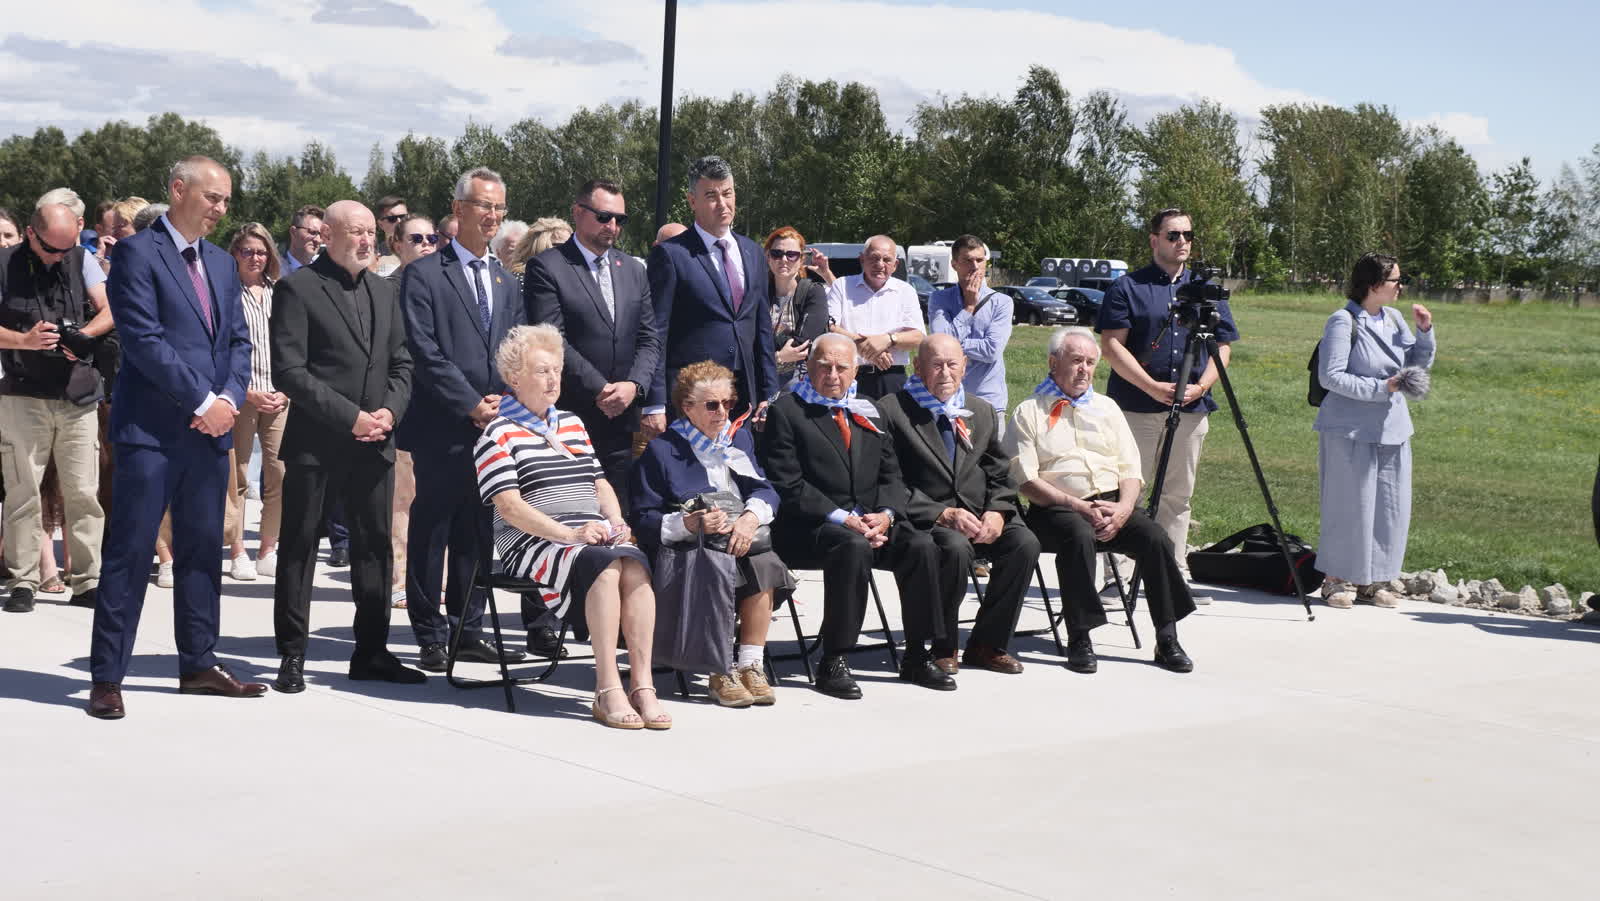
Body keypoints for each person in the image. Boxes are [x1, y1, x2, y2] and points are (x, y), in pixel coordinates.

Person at [90, 155, 264, 719]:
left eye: (226, 200)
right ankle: (107, 677)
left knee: (202, 553)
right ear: (178, 189)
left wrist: (228, 400)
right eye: (213, 197)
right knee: (130, 552)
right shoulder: (138, 253)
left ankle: (199, 664)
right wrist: (202, 402)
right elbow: (143, 340)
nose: (221, 209)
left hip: (209, 434)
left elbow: (238, 341)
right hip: (151, 433)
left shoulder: (221, 263)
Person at [475, 324, 670, 729]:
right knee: (604, 565)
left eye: (556, 371)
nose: (553, 380)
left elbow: (599, 483)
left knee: (634, 563)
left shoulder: (572, 423)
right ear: (514, 379)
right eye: (541, 371)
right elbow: (509, 507)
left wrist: (616, 521)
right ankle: (607, 688)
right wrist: (569, 535)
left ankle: (642, 685)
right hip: (531, 540)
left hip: (588, 534)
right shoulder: (497, 431)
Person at [268, 200, 423, 692]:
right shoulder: (298, 288)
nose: (366, 240)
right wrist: (349, 418)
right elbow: (290, 371)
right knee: (300, 548)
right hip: (317, 444)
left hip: (375, 442)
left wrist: (389, 412)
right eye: (355, 231)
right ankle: (292, 654)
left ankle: (372, 652)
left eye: (370, 232)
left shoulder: (384, 290)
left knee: (374, 548)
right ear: (327, 235)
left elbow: (402, 362)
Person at [763, 333, 947, 698]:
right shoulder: (787, 410)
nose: (833, 375)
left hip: (869, 523)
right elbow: (788, 483)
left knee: (921, 545)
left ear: (855, 372)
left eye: (841, 368)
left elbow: (891, 475)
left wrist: (887, 515)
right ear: (808, 368)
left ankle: (917, 654)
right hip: (810, 527)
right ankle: (834, 659)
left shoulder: (869, 409)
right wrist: (843, 518)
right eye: (824, 366)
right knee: (852, 547)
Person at [1007, 327, 1196, 675]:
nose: (1084, 370)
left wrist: (1123, 510)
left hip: (1112, 505)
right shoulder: (1029, 411)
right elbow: (1026, 480)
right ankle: (1080, 636)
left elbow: (1131, 470)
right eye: (1076, 360)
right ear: (1053, 363)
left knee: (1155, 538)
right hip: (1056, 509)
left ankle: (1167, 638)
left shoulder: (1107, 408)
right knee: (1079, 535)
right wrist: (1078, 506)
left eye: (1091, 362)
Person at [397, 166, 526, 673]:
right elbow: (423, 349)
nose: (492, 215)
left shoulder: (506, 280)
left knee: (477, 530)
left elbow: (515, 347)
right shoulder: (425, 274)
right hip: (443, 424)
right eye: (483, 205)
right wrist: (470, 402)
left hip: (492, 427)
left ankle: (468, 629)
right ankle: (430, 633)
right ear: (458, 209)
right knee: (433, 529)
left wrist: (501, 401)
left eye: (499, 207)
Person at [1095, 208, 1239, 604]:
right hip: (1136, 407)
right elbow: (1111, 346)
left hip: (1191, 408)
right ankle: (1119, 575)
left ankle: (1172, 574)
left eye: (1188, 235)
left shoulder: (1205, 289)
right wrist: (1152, 386)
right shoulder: (1128, 287)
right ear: (1154, 239)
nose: (1182, 242)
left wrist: (1201, 386)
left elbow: (1223, 346)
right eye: (1173, 235)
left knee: (1178, 494)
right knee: (1127, 491)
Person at [631, 361, 792, 707]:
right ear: (687, 407)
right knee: (719, 565)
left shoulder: (739, 438)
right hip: (690, 551)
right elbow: (643, 519)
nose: (723, 412)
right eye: (712, 405)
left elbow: (765, 490)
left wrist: (750, 518)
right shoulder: (663, 450)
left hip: (738, 539)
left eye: (728, 403)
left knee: (764, 561)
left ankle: (750, 664)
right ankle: (719, 669)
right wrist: (687, 524)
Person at [877, 334, 1039, 674]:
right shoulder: (892, 411)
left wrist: (997, 511)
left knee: (1024, 543)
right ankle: (943, 645)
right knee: (954, 547)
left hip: (978, 514)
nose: (945, 373)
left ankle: (987, 644)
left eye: (952, 364)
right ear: (918, 367)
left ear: (965, 367)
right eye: (936, 365)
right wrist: (941, 513)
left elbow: (999, 472)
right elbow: (887, 482)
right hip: (928, 519)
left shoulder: (980, 411)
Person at [0, 203, 109, 613]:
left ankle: (88, 581)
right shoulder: (4, 264)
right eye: (52, 249)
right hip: (22, 394)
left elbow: (111, 309)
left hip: (76, 395)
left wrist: (84, 335)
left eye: (67, 248)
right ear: (31, 234)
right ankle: (23, 581)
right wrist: (23, 341)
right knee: (23, 492)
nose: (60, 256)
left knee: (83, 492)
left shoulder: (82, 259)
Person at [526, 179, 659, 503]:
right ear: (577, 212)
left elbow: (648, 338)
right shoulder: (547, 267)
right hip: (570, 417)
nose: (612, 226)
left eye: (619, 219)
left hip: (621, 421)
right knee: (572, 513)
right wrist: (601, 390)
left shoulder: (633, 270)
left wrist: (634, 386)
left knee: (618, 514)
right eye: (603, 217)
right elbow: (552, 340)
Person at [1314, 252, 1435, 609]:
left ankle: (1373, 581)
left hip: (1392, 428)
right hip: (1349, 429)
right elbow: (1331, 377)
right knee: (1348, 506)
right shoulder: (1342, 321)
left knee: (1389, 507)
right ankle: (1335, 581)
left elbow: (1415, 366)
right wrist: (1382, 388)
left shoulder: (1394, 318)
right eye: (1397, 280)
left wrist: (1424, 332)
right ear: (1375, 284)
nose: (1401, 286)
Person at [645, 155, 776, 437]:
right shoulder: (671, 255)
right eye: (711, 196)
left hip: (744, 397)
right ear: (692, 201)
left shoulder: (753, 252)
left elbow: (762, 328)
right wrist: (654, 402)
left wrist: (769, 392)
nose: (722, 204)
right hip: (692, 397)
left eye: (727, 193)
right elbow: (656, 334)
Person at [223, 223, 288, 581]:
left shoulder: (281, 292)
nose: (255, 258)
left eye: (261, 252)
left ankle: (267, 548)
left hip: (278, 395)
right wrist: (246, 391)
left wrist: (286, 389)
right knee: (238, 475)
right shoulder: (225, 291)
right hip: (241, 395)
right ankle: (237, 550)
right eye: (247, 251)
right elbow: (220, 348)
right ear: (235, 254)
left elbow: (293, 344)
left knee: (279, 473)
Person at [382, 213, 436, 607]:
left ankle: (439, 579)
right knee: (404, 497)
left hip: (444, 405)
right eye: (416, 239)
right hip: (403, 402)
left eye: (432, 238)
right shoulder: (385, 290)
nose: (426, 245)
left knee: (439, 497)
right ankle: (400, 578)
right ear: (397, 244)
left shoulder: (447, 284)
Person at [824, 235, 925, 399]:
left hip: (891, 378)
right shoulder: (841, 286)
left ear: (895, 265)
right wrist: (863, 345)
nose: (880, 264)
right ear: (862, 259)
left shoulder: (906, 291)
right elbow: (828, 327)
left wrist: (888, 340)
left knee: (893, 417)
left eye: (887, 259)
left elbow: (918, 336)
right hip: (848, 376)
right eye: (874, 258)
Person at [927, 234, 1012, 414]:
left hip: (988, 401)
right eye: (968, 260)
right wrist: (968, 308)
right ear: (954, 264)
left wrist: (955, 344)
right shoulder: (939, 299)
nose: (975, 266)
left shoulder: (1002, 302)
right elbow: (940, 346)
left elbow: (992, 351)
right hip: (948, 401)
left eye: (980, 260)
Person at [763, 226, 827, 386]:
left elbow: (802, 343)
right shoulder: (757, 292)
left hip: (800, 386)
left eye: (791, 255)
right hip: (761, 382)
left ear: (801, 260)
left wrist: (766, 345)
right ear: (768, 257)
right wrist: (779, 356)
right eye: (777, 253)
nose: (784, 259)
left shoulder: (813, 292)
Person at [505, 216, 572, 289]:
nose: (567, 251)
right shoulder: (517, 283)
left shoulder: (572, 279)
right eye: (560, 246)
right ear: (540, 246)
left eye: (571, 246)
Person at [282, 205, 324, 275]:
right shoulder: (275, 272)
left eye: (321, 235)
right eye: (312, 232)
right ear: (293, 232)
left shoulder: (324, 271)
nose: (318, 240)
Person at [373, 195, 408, 277]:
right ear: (380, 224)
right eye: (392, 219)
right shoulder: (372, 256)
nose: (399, 222)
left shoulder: (421, 249)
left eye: (404, 217)